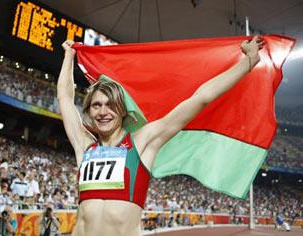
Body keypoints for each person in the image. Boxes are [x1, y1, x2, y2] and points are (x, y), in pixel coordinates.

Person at [58, 37, 264, 236]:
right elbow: (65, 97)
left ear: (122, 110)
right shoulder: (84, 146)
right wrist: (69, 56)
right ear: (90, 111)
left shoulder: (142, 142)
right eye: (96, 105)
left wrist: (248, 62)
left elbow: (200, 99)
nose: (103, 112)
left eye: (111, 105)